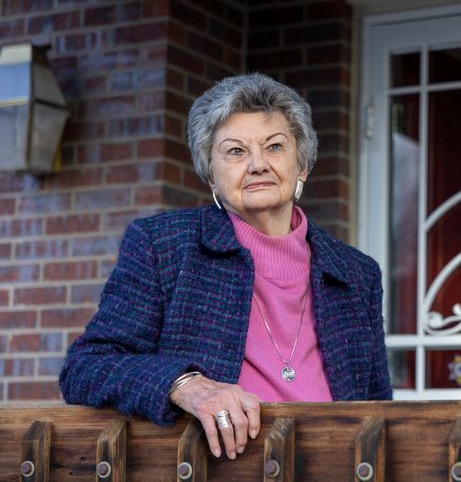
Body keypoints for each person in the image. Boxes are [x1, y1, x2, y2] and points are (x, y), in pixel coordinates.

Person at [59, 73, 392, 461]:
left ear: (302, 164)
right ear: (211, 175)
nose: (257, 165)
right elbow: (87, 368)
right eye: (235, 151)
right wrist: (184, 384)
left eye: (275, 147)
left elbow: (378, 407)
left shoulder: (356, 273)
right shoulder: (166, 245)